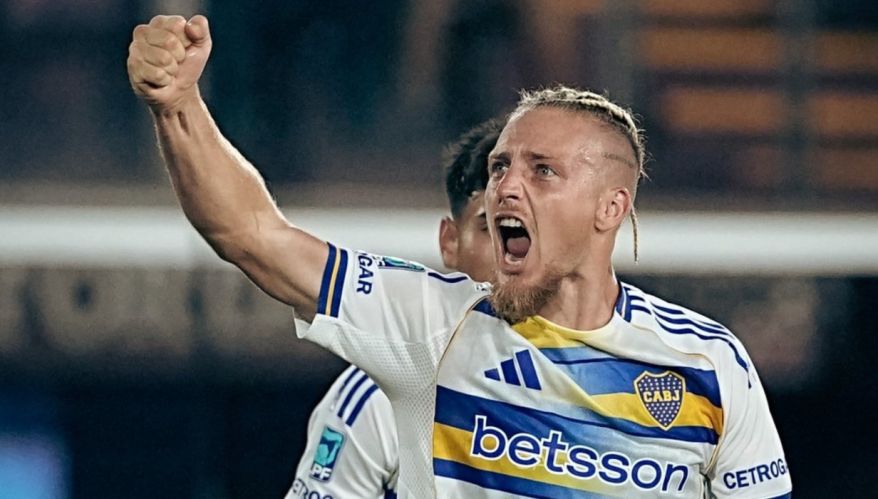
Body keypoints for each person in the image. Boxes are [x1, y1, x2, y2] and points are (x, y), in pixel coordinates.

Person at [127, 15, 792, 498]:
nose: (506, 186)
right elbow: (250, 232)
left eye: (542, 170)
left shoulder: (707, 365)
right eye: (501, 167)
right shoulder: (429, 325)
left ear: (610, 207)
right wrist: (178, 106)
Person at [286, 119, 502, 499]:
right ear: (450, 242)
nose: (511, 250)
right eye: (491, 227)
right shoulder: (379, 394)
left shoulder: (608, 374)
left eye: (523, 231)